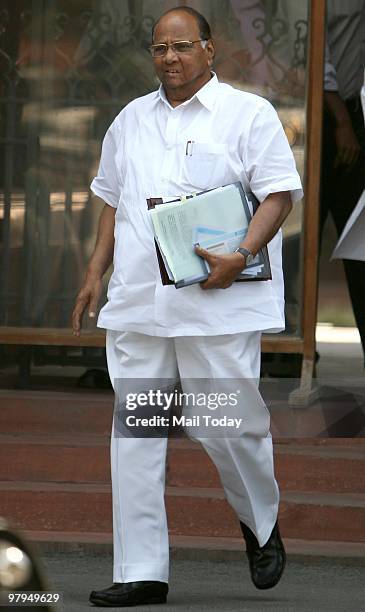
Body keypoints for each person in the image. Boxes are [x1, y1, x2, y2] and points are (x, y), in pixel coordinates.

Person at [72, 6, 302, 608]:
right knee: (137, 432)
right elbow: (110, 200)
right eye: (159, 48)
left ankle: (259, 519)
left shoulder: (249, 114)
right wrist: (96, 271)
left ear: (208, 49)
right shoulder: (130, 119)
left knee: (227, 427)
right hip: (139, 303)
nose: (169, 58)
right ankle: (141, 569)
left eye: (181, 46)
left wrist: (244, 252)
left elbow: (280, 193)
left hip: (217, 303)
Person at [321, 0, 365, 361]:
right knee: (300, 239)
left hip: (355, 115)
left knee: (360, 241)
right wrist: (342, 122)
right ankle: (294, 352)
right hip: (322, 113)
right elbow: (315, 56)